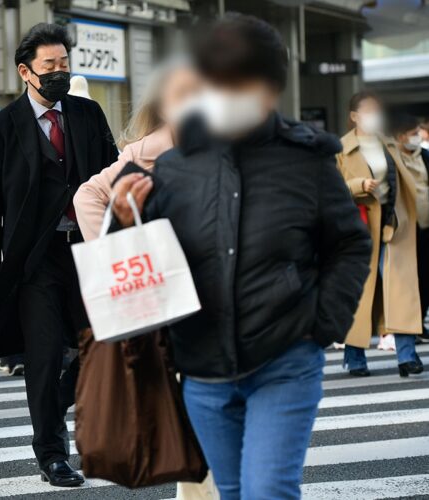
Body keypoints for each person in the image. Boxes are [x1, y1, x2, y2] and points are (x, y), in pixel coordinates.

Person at [110, 14, 371, 499]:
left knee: (268, 489)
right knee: (229, 492)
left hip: (285, 356)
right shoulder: (174, 165)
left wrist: (324, 323)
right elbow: (155, 258)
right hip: (203, 366)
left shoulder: (308, 159)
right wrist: (129, 218)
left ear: (270, 90)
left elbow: (350, 243)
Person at [0, 23, 119, 487]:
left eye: (64, 64)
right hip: (34, 261)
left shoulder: (88, 114)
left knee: (103, 344)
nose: (58, 73)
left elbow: (115, 175)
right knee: (42, 354)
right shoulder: (0, 128)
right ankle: (52, 454)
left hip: (87, 252)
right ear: (25, 71)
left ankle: (55, 403)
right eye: (49, 66)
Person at [336, 93, 424, 377]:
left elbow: (410, 179)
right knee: (360, 293)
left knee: (401, 291)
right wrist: (357, 184)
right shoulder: (340, 148)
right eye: (368, 111)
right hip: (358, 229)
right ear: (353, 116)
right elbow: (329, 188)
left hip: (393, 225)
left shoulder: (389, 143)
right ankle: (355, 359)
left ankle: (407, 357)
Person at [74, 60, 199, 240]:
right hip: (165, 261)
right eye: (182, 94)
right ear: (162, 108)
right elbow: (87, 196)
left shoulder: (229, 145)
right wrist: (115, 249)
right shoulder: (142, 154)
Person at [393, 113, 429, 341]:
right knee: (408, 280)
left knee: (425, 276)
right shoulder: (393, 159)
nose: (417, 137)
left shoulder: (424, 156)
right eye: (413, 133)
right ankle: (408, 326)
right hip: (404, 228)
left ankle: (419, 321)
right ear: (400, 136)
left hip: (426, 226)